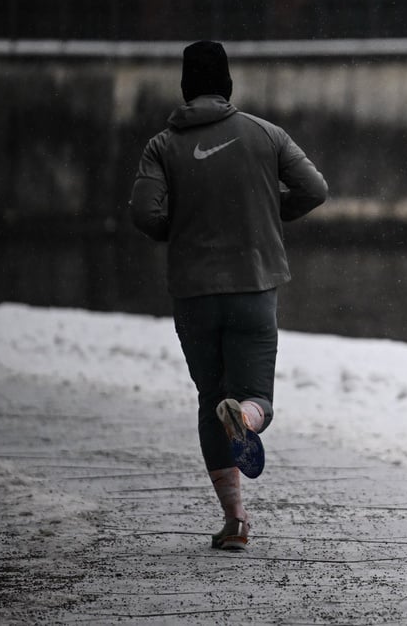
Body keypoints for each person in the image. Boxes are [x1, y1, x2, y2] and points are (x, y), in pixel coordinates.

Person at [129, 40, 328, 550]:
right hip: (254, 284)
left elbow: (145, 214)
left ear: (184, 88)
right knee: (255, 394)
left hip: (194, 292)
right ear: (229, 86)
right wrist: (265, 212)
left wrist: (188, 224)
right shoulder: (266, 134)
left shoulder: (162, 146)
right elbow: (314, 188)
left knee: (210, 397)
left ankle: (236, 520)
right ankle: (251, 418)